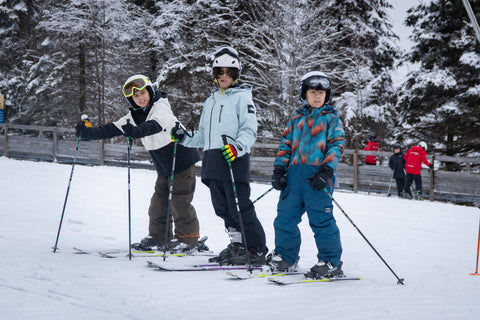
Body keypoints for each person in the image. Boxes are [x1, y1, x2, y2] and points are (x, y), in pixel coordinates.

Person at [75, 75, 205, 252]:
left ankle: (187, 239)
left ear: (150, 91)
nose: (140, 98)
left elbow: (154, 126)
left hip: (180, 158)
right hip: (163, 165)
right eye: (136, 96)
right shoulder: (134, 115)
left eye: (143, 93)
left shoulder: (161, 108)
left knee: (179, 200)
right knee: (158, 203)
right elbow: (111, 129)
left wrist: (136, 132)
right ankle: (158, 237)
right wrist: (88, 133)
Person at [171, 46, 268, 265]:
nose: (224, 76)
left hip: (232, 158)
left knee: (239, 206)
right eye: (220, 72)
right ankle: (237, 244)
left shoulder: (243, 98)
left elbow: (249, 130)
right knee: (222, 208)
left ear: (236, 75)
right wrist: (184, 137)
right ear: (215, 75)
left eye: (229, 72)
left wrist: (237, 147)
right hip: (213, 160)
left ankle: (257, 249)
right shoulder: (210, 101)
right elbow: (204, 135)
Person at [268, 71, 345, 279]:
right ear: (305, 94)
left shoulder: (331, 119)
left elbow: (336, 146)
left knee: (321, 220)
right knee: (284, 218)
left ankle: (331, 261)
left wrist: (327, 171)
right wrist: (279, 170)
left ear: (327, 96)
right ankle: (286, 256)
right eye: (313, 92)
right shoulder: (296, 118)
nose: (317, 96)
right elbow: (285, 146)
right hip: (293, 177)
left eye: (321, 93)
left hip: (317, 178)